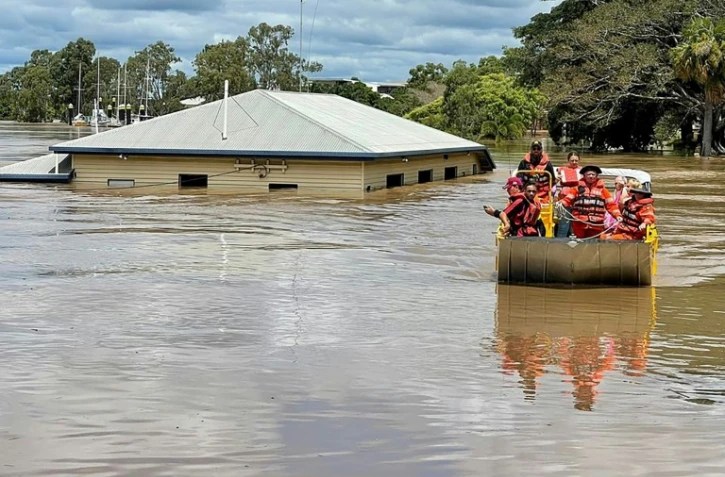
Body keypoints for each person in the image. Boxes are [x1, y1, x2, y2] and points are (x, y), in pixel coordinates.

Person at [558, 165, 622, 239]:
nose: (591, 176)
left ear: (597, 176)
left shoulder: (603, 191)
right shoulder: (576, 189)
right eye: (588, 174)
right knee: (579, 243)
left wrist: (618, 215)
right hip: (579, 224)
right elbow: (567, 200)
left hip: (597, 225)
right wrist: (561, 203)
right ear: (584, 176)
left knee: (595, 244)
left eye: (593, 174)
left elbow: (611, 205)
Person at [555, 152, 582, 238]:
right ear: (568, 161)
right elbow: (552, 185)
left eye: (576, 160)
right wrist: (556, 179)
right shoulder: (561, 171)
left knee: (575, 227)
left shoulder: (583, 171)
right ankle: (559, 246)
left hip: (578, 202)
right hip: (564, 201)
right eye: (572, 160)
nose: (574, 162)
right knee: (563, 227)